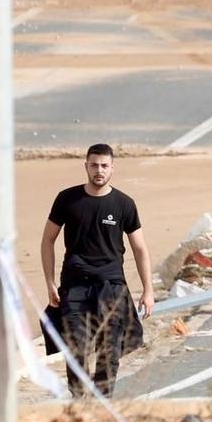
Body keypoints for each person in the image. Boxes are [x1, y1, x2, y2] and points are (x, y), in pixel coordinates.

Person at [39, 143, 153, 397]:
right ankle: (80, 401)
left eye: (104, 165)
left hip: (111, 288)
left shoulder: (124, 204)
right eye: (94, 165)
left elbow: (140, 249)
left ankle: (104, 401)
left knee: (108, 349)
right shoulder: (67, 199)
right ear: (86, 166)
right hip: (74, 286)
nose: (98, 170)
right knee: (75, 347)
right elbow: (47, 240)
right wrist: (49, 284)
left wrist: (148, 290)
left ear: (112, 168)